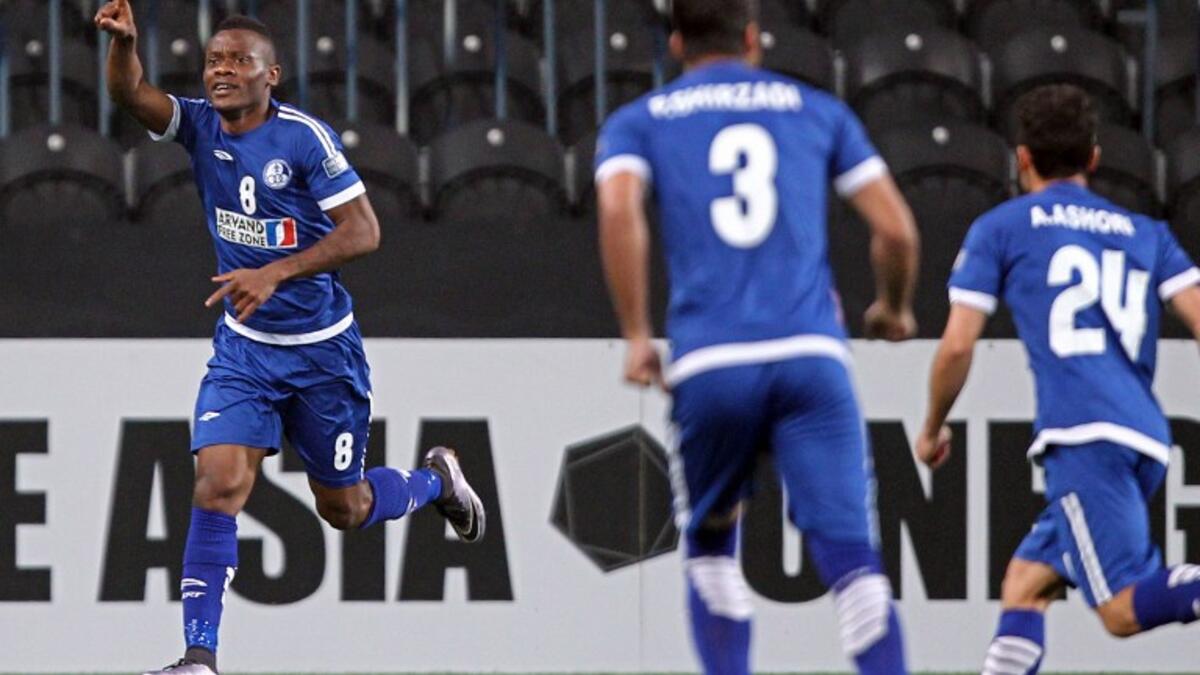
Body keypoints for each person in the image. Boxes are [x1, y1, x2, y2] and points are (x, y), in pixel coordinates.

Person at [94, 2, 486, 674]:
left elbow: (364, 231)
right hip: (245, 349)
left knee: (345, 505)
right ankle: (199, 656)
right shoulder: (198, 126)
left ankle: (434, 480)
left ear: (270, 74)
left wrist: (277, 270)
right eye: (214, 59)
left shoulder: (305, 138)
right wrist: (124, 46)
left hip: (323, 351)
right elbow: (131, 93)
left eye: (237, 61)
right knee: (216, 481)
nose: (221, 71)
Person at [595, 1, 921, 673]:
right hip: (811, 355)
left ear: (678, 42)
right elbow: (896, 231)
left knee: (713, 545)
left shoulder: (641, 121)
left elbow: (618, 207)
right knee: (853, 560)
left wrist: (635, 333)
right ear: (752, 39)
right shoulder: (817, 109)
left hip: (713, 360)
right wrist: (893, 307)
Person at [916, 84, 1200, 675]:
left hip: (1084, 435)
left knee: (1121, 611)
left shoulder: (1002, 227)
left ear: (1021, 158)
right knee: (1025, 584)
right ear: (1093, 158)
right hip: (1142, 434)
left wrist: (932, 427)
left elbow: (957, 346)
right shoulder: (1147, 233)